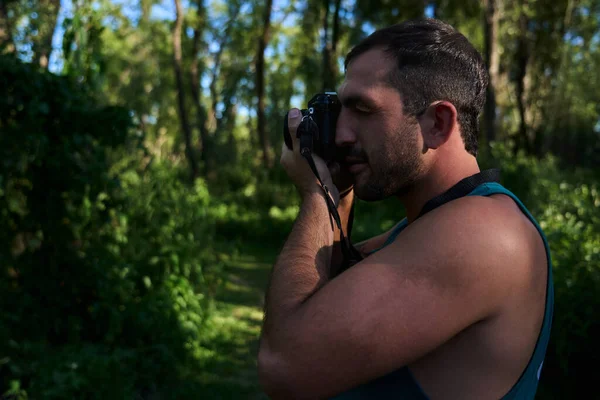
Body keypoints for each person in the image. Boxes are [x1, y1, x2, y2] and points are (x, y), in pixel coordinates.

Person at [257, 18, 554, 400]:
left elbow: (284, 365)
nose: (342, 135)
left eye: (362, 110)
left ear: (437, 123)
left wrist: (317, 194)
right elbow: (325, 300)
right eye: (340, 111)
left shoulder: (485, 232)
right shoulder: (423, 228)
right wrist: (338, 195)